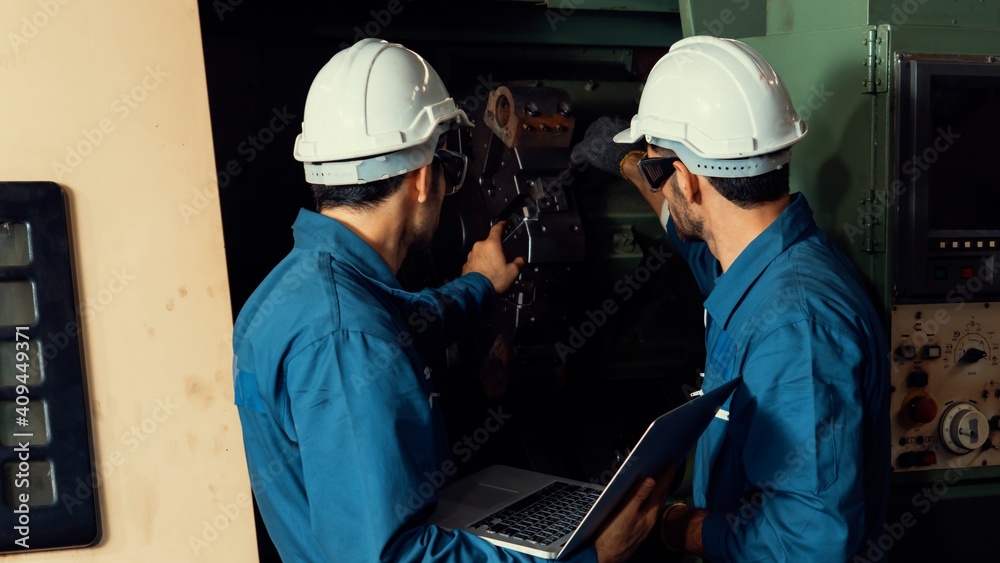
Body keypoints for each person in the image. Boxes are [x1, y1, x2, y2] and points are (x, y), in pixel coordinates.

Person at [231, 38, 672, 563]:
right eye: (444, 166)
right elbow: (392, 559)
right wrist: (590, 557)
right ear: (421, 180)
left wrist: (480, 285)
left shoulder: (292, 296)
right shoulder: (347, 340)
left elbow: (404, 325)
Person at [572, 36, 890, 561]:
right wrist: (632, 164)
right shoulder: (762, 266)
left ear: (689, 179)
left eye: (660, 170)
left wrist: (678, 527)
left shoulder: (797, 327)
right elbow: (697, 237)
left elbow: (807, 543)